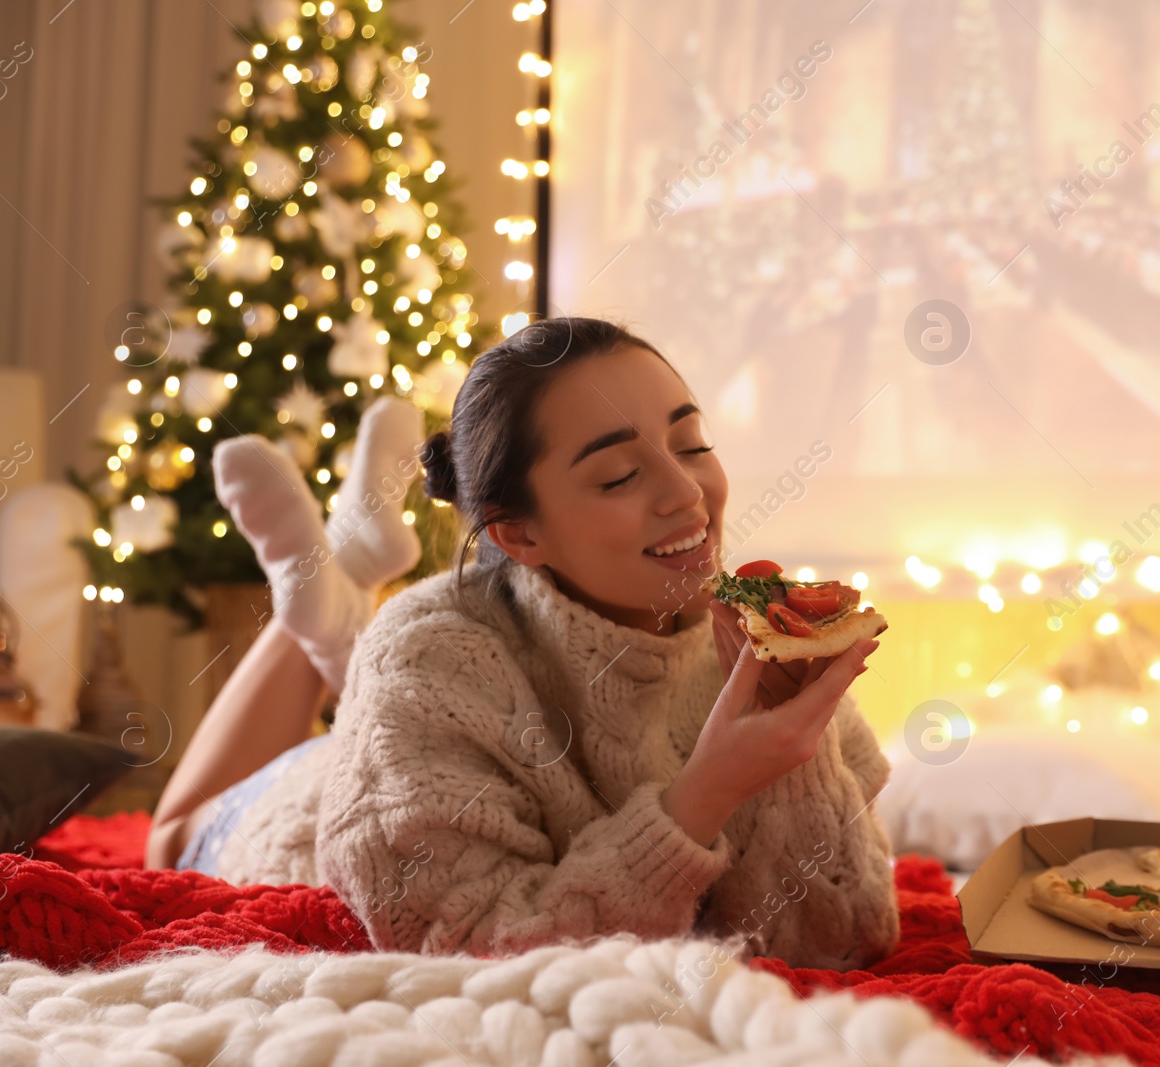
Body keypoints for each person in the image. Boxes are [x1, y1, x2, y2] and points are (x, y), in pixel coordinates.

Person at [145, 317, 899, 971]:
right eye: (620, 475)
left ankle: (342, 582)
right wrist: (707, 791)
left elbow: (843, 939)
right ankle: (322, 595)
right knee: (171, 833)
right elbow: (476, 948)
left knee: (390, 678)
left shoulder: (761, 638)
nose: (687, 493)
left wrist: (795, 763)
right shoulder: (426, 654)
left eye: (692, 442)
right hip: (318, 812)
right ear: (517, 531)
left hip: (421, 737)